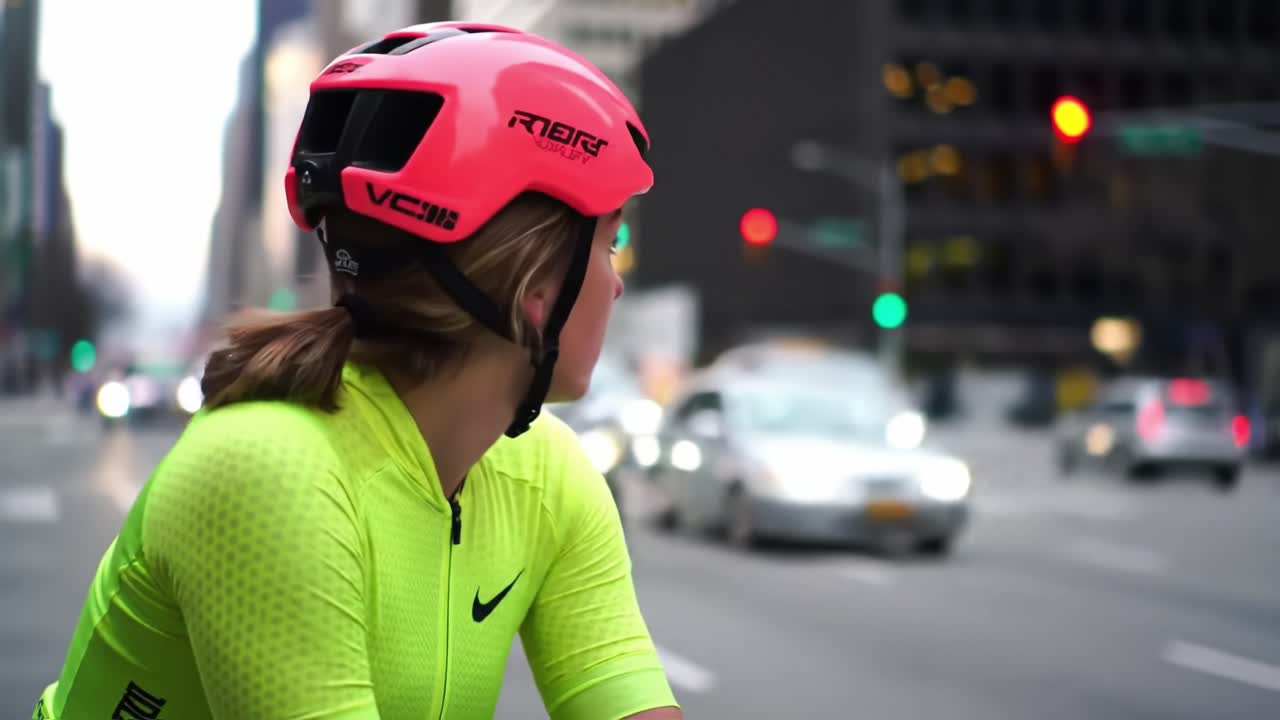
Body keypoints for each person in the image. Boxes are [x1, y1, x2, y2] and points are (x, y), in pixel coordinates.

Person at [32, 22, 682, 720]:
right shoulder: (269, 470)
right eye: (608, 240)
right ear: (537, 286)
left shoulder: (549, 475)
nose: (614, 284)